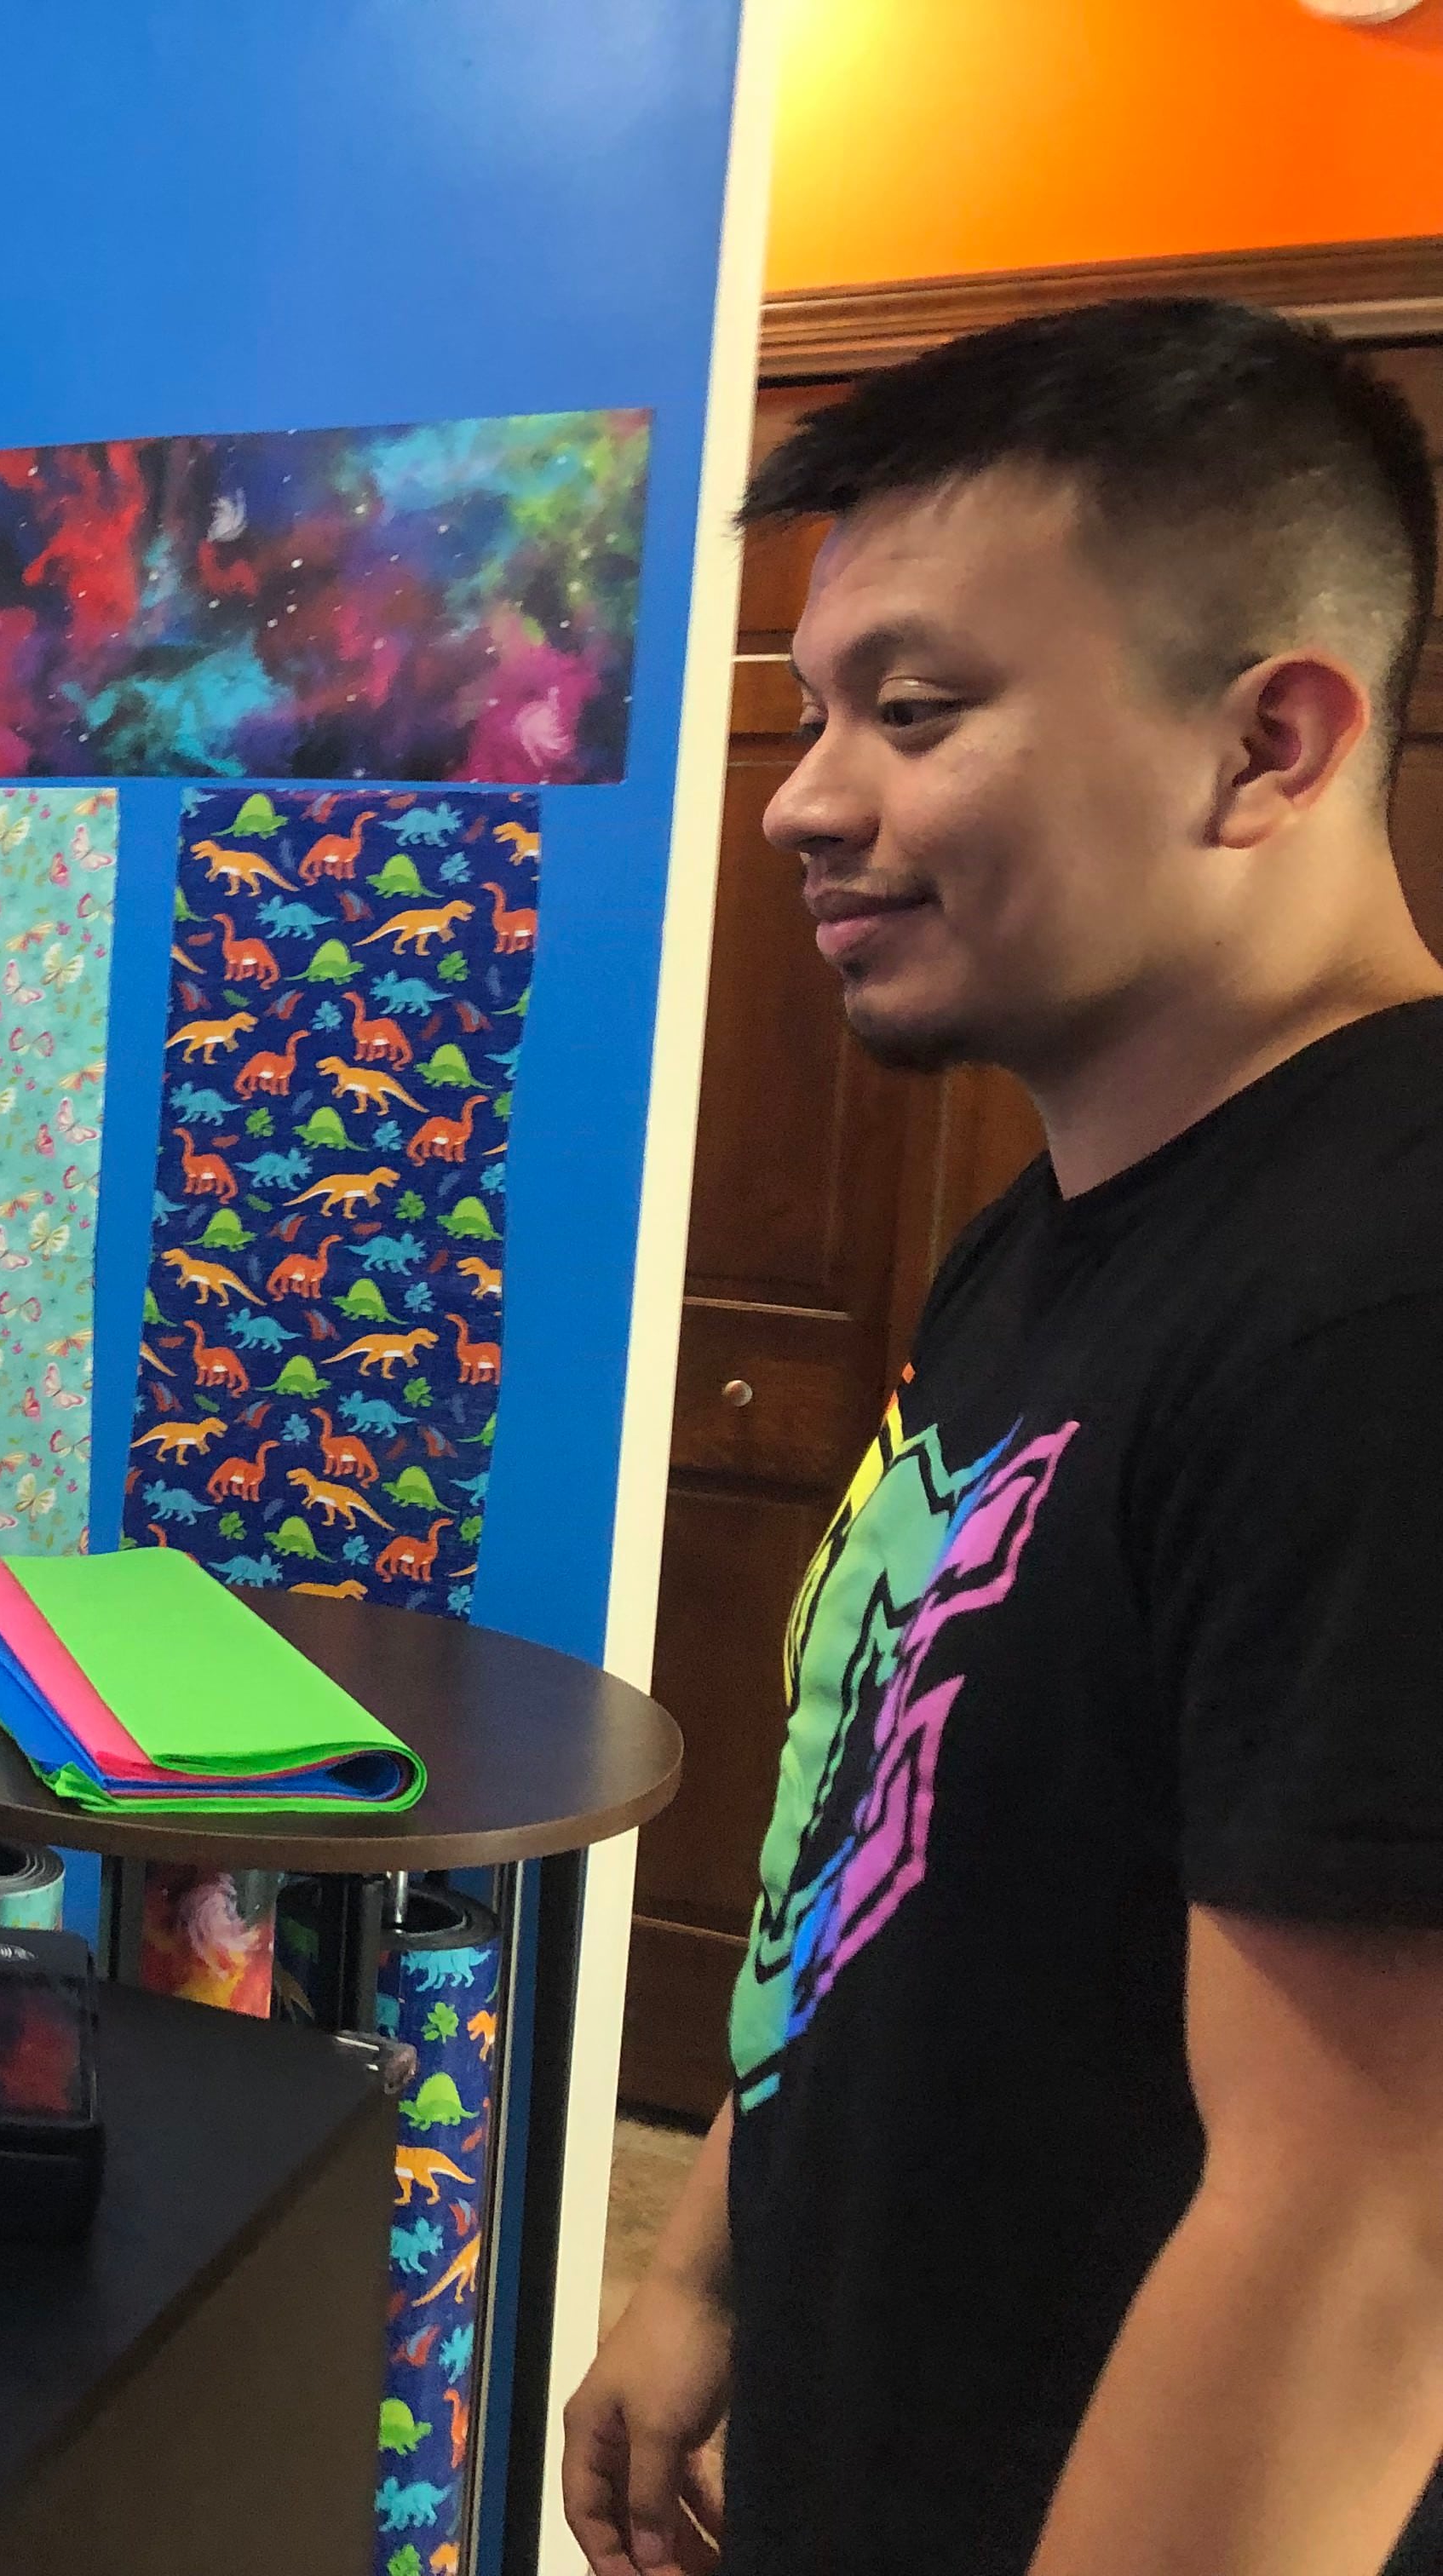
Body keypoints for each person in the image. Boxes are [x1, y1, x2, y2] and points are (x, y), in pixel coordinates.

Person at [562, 296, 1443, 2575]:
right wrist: (705, 2275)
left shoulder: (1386, 1296)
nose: (804, 799)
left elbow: (1364, 2242)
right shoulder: (1044, 1236)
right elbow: (883, 1854)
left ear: (1270, 744)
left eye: (920, 712)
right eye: (815, 708)